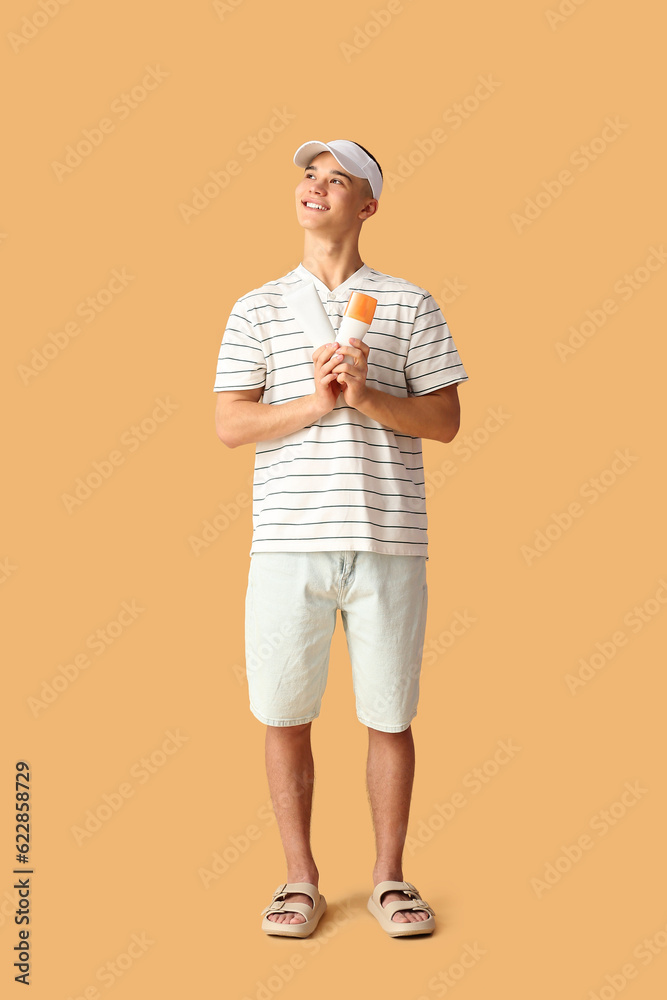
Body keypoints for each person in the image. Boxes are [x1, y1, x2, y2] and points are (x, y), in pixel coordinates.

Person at [213, 139, 469, 938]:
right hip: (288, 539)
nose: (315, 187)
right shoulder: (255, 306)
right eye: (308, 176)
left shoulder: (409, 303)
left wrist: (367, 395)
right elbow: (231, 423)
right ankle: (299, 881)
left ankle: (389, 879)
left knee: (389, 714)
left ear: (368, 207)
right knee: (284, 713)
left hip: (388, 536)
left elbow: (446, 421)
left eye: (337, 180)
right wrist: (318, 405)